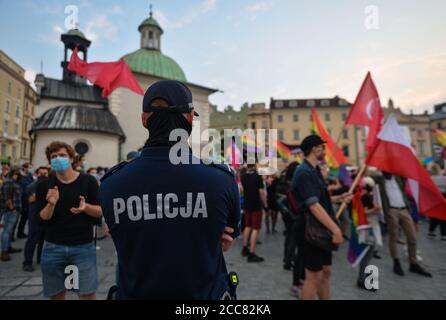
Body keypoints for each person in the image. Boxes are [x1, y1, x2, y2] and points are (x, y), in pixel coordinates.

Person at [99, 80, 241, 300]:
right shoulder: (221, 180)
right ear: (189, 118)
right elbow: (227, 239)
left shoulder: (111, 184)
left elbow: (116, 232)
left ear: (144, 120)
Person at [36, 141, 102, 300]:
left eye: (62, 155)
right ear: (49, 161)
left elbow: (100, 211)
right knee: (56, 295)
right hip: (53, 247)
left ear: (71, 158)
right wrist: (51, 204)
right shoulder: (44, 185)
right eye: (54, 156)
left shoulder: (88, 181)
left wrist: (85, 207)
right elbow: (41, 219)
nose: (58, 158)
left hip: (82, 247)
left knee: (87, 294)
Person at [291, 135, 348, 300]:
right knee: (314, 276)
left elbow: (320, 199)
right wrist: (336, 229)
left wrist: (340, 198)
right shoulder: (303, 172)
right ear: (315, 149)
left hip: (320, 226)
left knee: (325, 272)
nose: (324, 150)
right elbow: (313, 205)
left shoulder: (314, 170)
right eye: (322, 147)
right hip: (309, 228)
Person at [375, 171, 432, 277]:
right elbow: (370, 179)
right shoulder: (379, 179)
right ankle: (396, 262)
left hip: (404, 209)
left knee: (412, 237)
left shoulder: (398, 177)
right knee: (394, 237)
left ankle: (413, 263)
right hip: (391, 210)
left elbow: (406, 172)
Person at [22, 166, 49, 271]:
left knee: (43, 240)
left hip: (46, 217)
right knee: (32, 240)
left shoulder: (49, 185)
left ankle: (40, 259)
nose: (43, 175)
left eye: (45, 173)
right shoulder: (32, 186)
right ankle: (27, 262)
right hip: (34, 217)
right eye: (41, 173)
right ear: (37, 174)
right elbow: (30, 199)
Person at [357, 177, 381, 290]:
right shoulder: (365, 197)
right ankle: (363, 280)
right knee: (367, 255)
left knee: (367, 255)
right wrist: (376, 209)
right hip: (368, 227)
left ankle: (363, 279)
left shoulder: (363, 195)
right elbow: (365, 212)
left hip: (367, 226)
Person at [240, 164, 268, 263]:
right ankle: (251, 253)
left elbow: (242, 190)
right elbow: (261, 192)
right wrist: (265, 203)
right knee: (255, 228)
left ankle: (244, 248)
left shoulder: (243, 176)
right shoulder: (257, 176)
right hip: (256, 205)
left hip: (247, 204)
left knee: (247, 226)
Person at [1, 167, 23, 261]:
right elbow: (7, 197)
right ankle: (4, 251)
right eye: (17, 173)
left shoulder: (14, 182)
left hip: (14, 210)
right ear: (13, 173)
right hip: (10, 210)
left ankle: (8, 247)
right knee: (6, 231)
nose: (18, 175)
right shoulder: (9, 182)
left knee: (9, 231)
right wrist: (12, 208)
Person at [16, 162, 35, 239]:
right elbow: (20, 188)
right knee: (20, 218)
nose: (30, 169)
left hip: (29, 199)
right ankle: (17, 233)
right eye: (29, 167)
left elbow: (33, 184)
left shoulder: (30, 175)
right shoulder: (20, 176)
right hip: (22, 199)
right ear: (24, 168)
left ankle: (21, 232)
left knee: (25, 218)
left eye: (31, 167)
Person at [428, 165, 446, 240]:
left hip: (434, 198)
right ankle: (443, 234)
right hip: (443, 197)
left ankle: (431, 231)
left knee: (434, 215)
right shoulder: (443, 178)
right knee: (443, 216)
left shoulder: (430, 178)